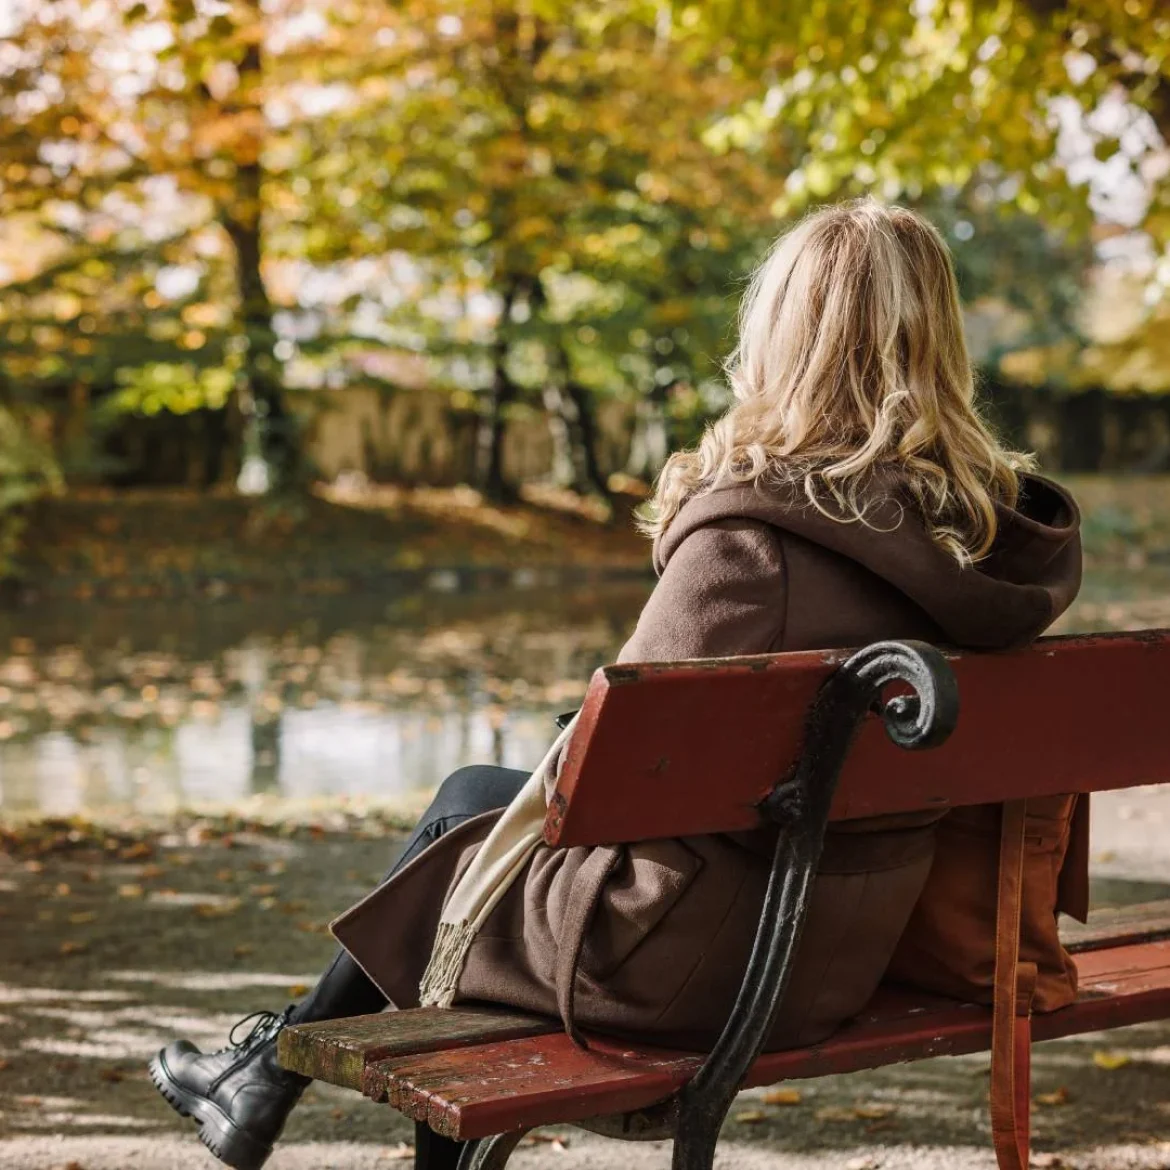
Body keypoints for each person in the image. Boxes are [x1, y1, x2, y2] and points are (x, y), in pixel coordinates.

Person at [149, 199, 1082, 1170]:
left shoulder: (753, 542)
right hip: (841, 952)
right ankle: (264, 1069)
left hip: (688, 968)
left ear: (784, 338)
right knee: (469, 801)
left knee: (463, 820)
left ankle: (267, 1064)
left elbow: (602, 776)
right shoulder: (983, 547)